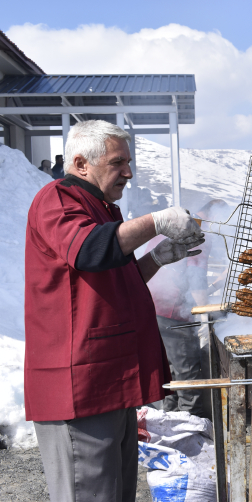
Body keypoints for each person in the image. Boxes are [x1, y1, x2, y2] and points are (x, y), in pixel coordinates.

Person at [25, 120, 205, 502]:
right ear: (81, 163)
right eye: (117, 162)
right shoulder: (58, 199)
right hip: (80, 386)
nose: (128, 171)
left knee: (116, 494)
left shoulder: (104, 209)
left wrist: (156, 258)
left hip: (110, 379)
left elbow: (113, 281)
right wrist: (156, 222)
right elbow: (89, 250)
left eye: (128, 161)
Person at [146, 199, 230, 419]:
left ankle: (171, 420)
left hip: (152, 304)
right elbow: (196, 280)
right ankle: (191, 426)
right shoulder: (198, 231)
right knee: (187, 374)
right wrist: (204, 316)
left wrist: (215, 286)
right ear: (214, 217)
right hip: (172, 309)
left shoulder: (180, 222)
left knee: (170, 369)